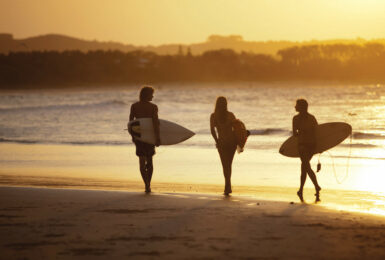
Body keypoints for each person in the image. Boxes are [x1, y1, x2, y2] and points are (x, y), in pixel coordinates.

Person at [129, 86, 160, 193]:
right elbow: (155, 124)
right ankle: (148, 184)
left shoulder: (134, 106)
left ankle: (146, 184)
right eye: (151, 94)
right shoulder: (153, 107)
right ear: (147, 95)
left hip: (139, 136)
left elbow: (130, 123)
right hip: (150, 136)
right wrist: (157, 138)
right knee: (150, 161)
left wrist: (133, 136)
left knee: (142, 162)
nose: (153, 96)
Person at [292, 99, 321, 202]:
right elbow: (317, 132)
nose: (295, 107)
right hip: (312, 146)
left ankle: (317, 186)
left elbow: (295, 134)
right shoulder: (312, 118)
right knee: (304, 167)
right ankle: (300, 190)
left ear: (301, 107)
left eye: (296, 105)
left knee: (306, 167)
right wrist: (320, 147)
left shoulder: (295, 119)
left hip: (302, 145)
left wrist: (302, 133)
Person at [210, 96, 237, 195]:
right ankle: (228, 185)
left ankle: (227, 186)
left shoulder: (213, 116)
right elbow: (237, 128)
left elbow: (212, 130)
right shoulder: (231, 115)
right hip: (232, 143)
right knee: (229, 164)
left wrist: (217, 141)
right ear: (226, 104)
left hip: (222, 143)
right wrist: (239, 140)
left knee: (225, 165)